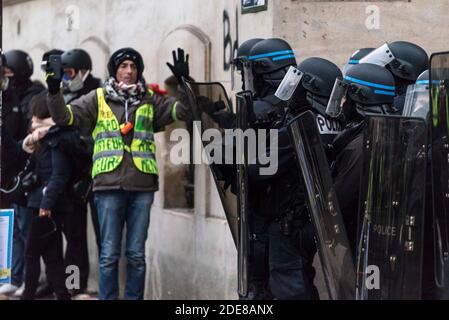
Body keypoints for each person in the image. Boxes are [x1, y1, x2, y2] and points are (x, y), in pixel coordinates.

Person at [45, 47, 191, 300]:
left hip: (142, 186)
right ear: (115, 70)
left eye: (133, 67)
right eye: (123, 66)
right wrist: (54, 90)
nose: (129, 71)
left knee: (136, 254)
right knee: (110, 255)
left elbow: (184, 112)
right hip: (108, 186)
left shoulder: (149, 98)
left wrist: (185, 84)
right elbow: (62, 118)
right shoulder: (97, 97)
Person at [326, 63, 397, 253]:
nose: (343, 104)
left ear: (359, 97)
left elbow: (338, 202)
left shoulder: (362, 144)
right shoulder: (390, 130)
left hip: (363, 243)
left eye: (346, 97)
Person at [20, 93, 78, 300]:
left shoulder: (54, 138)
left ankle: (28, 295)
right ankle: (62, 295)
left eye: (34, 115)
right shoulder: (43, 138)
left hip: (48, 205)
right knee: (52, 256)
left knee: (32, 253)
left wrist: (46, 203)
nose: (31, 120)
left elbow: (59, 175)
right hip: (47, 203)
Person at [0, 49, 45, 297]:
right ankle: (14, 276)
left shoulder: (25, 98)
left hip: (25, 173)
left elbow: (16, 141)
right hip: (13, 173)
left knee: (25, 230)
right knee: (15, 229)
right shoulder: (10, 97)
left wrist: (25, 147)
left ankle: (26, 278)